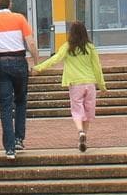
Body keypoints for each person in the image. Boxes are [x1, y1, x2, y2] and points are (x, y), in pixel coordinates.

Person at [0, 0, 38, 158]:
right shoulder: (20, 18)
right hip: (19, 61)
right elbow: (31, 43)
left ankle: (9, 147)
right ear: (10, 4)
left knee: (5, 105)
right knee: (21, 100)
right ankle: (19, 138)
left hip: (1, 63)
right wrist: (35, 63)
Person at [35, 20, 106, 152]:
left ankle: (80, 132)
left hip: (75, 83)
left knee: (77, 110)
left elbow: (54, 59)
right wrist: (102, 85)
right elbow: (97, 67)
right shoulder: (90, 47)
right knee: (88, 111)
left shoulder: (68, 46)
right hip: (89, 83)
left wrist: (39, 68)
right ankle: (85, 135)